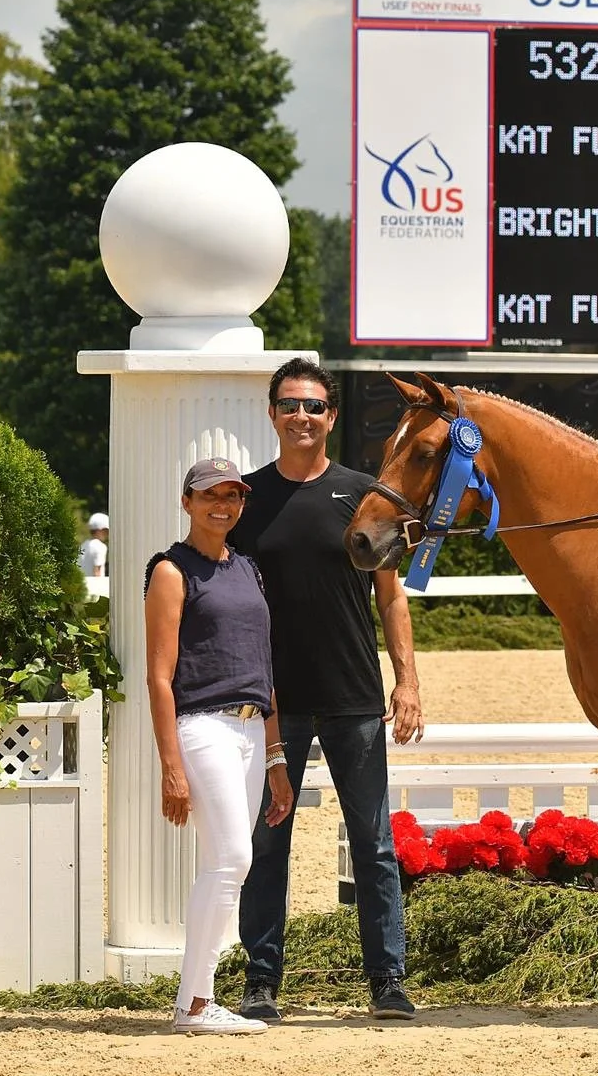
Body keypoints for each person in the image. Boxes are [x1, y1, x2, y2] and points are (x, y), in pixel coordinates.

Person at [231, 358, 425, 1023]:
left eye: (314, 405)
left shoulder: (364, 494)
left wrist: (408, 681)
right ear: (272, 412)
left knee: (373, 842)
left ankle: (388, 981)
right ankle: (261, 980)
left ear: (331, 416)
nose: (302, 416)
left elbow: (391, 598)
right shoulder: (247, 503)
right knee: (266, 844)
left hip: (355, 697)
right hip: (273, 703)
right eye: (290, 404)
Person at [144, 458, 293, 1036]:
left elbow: (265, 667)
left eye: (232, 495)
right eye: (210, 495)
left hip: (254, 731)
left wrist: (277, 757)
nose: (222, 505)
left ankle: (195, 1001)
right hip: (202, 727)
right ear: (187, 502)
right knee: (233, 859)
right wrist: (170, 766)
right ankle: (195, 1004)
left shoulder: (248, 569)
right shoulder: (170, 571)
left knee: (224, 863)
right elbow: (160, 677)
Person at [79, 512, 109, 578]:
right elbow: (97, 571)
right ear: (99, 530)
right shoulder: (100, 546)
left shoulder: (83, 545)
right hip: (95, 587)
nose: (108, 534)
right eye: (106, 530)